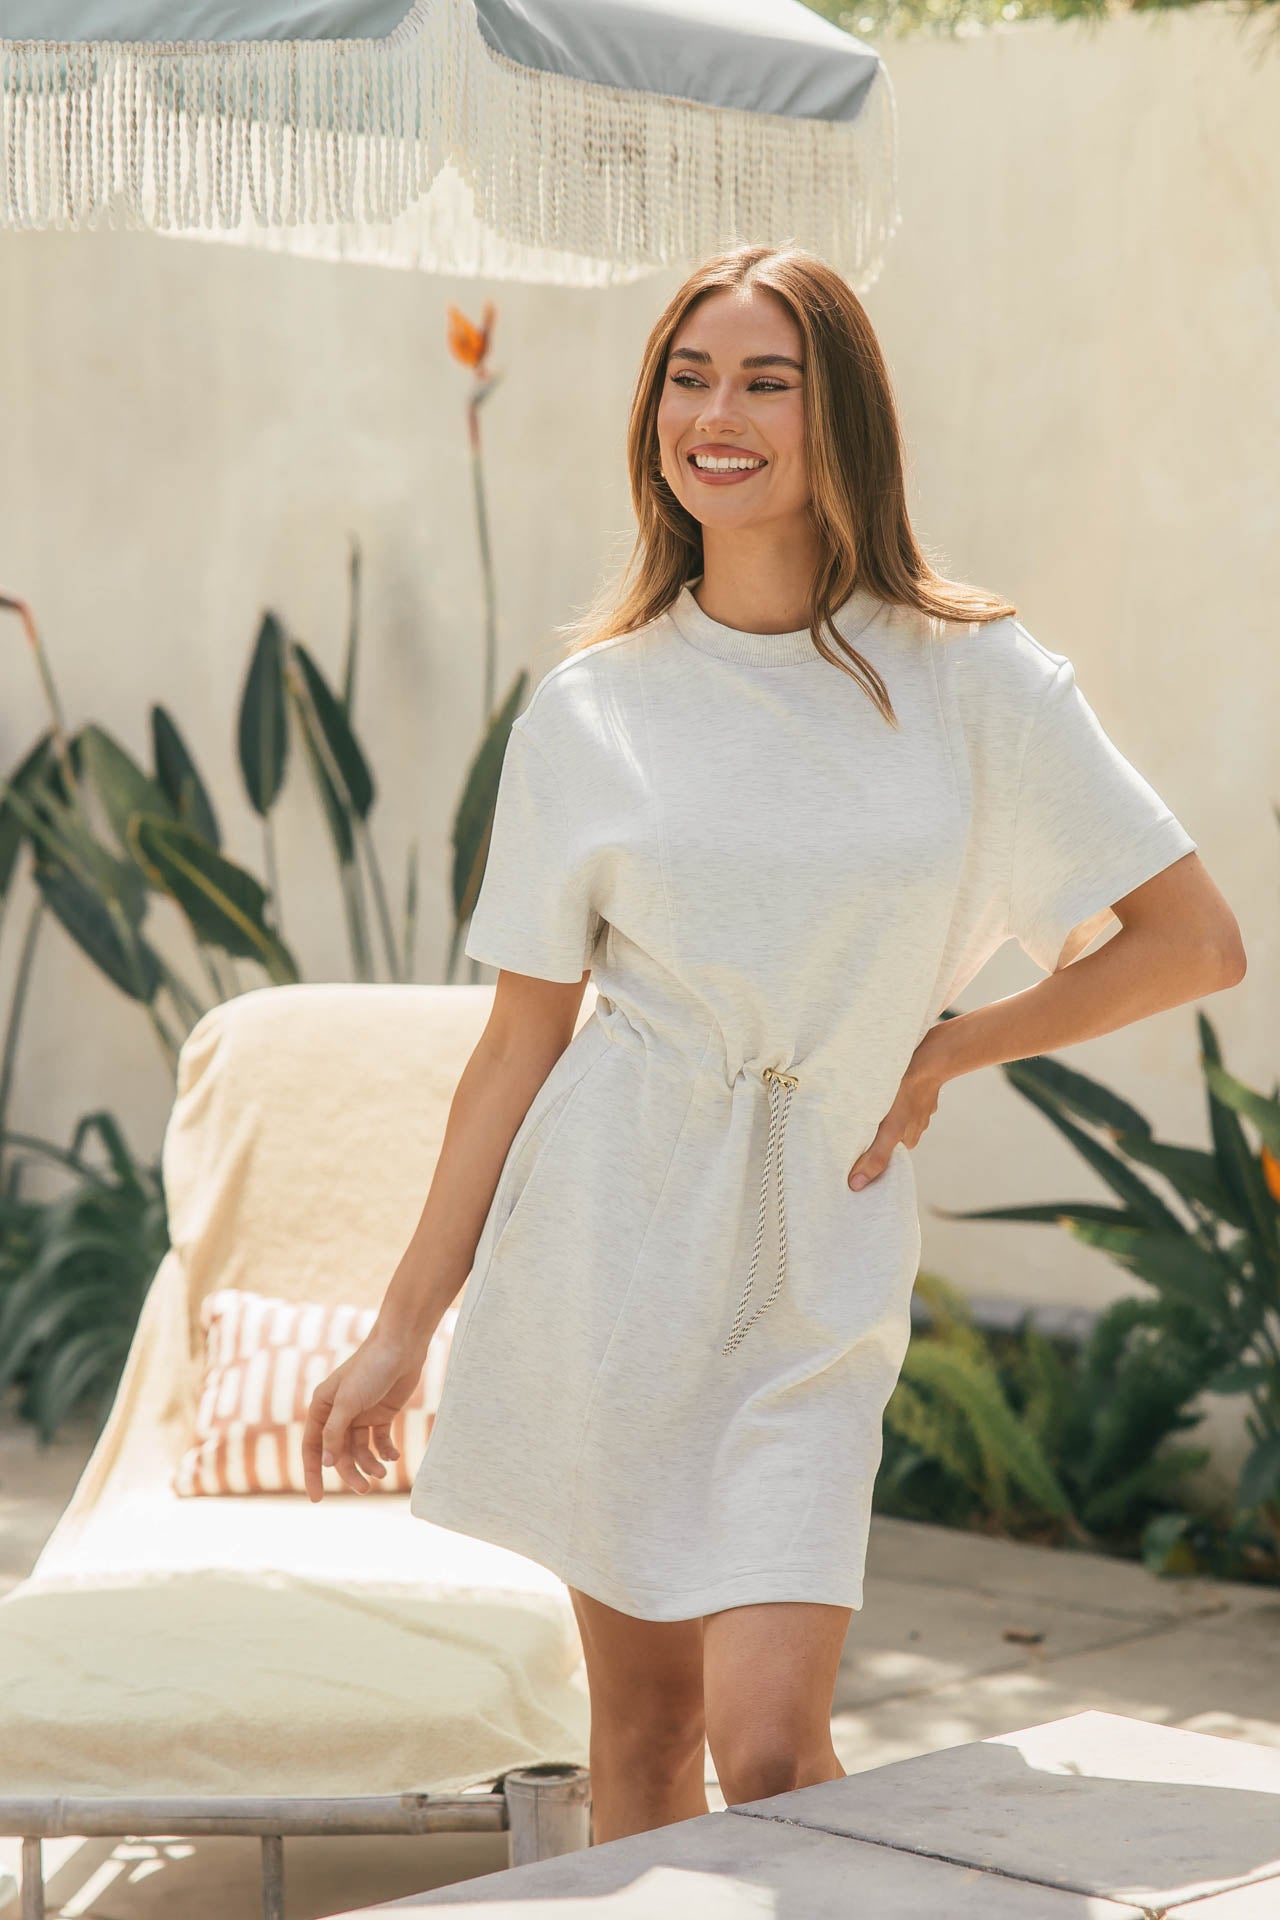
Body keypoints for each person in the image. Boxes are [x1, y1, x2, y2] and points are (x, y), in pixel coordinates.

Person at [302, 244, 1244, 1844]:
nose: (715, 416)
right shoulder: (592, 708)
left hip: (823, 1246)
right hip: (608, 1241)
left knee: (773, 1750)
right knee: (647, 1734)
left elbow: (1193, 941)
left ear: (840, 417)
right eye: (687, 378)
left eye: (765, 381)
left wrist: (951, 1046)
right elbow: (519, 1045)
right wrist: (404, 1325)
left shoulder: (974, 679)